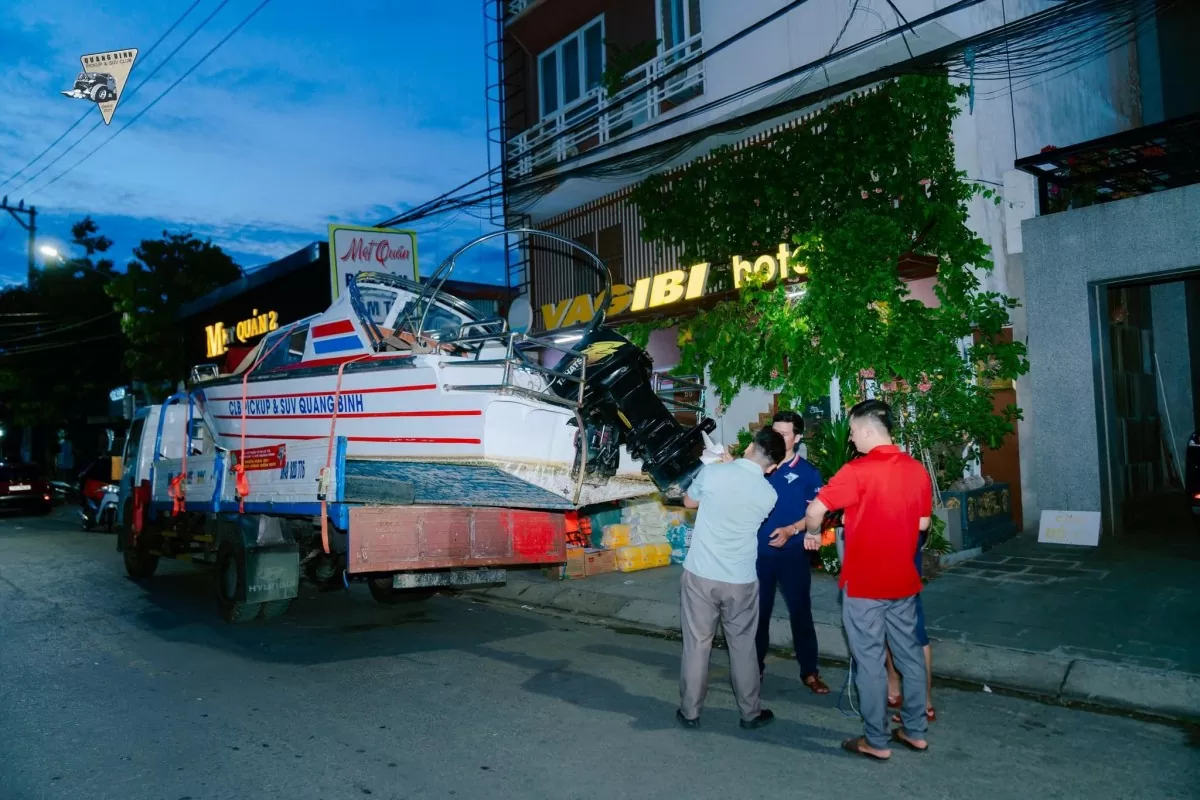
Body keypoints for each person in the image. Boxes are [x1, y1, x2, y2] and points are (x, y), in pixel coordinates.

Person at [799, 399, 932, 760]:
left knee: (870, 660)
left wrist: (813, 532)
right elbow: (922, 525)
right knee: (909, 656)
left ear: (870, 429)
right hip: (904, 580)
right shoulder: (916, 470)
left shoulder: (857, 471)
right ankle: (915, 730)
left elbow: (816, 510)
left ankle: (876, 740)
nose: (852, 437)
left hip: (864, 584)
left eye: (855, 430)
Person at [677, 426, 786, 731]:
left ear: (751, 445)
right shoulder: (769, 493)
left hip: (701, 573)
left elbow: (689, 502)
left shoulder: (712, 474)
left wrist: (720, 467)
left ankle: (690, 712)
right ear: (774, 466)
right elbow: (742, 493)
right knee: (742, 646)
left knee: (698, 644)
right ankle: (750, 713)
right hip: (740, 579)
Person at [754, 410, 829, 694]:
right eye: (774, 432)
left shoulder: (808, 474)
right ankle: (754, 669)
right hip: (758, 555)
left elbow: (816, 513)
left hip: (794, 554)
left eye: (784, 434)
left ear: (797, 438)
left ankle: (809, 671)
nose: (777, 437)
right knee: (758, 614)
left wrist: (791, 530)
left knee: (801, 613)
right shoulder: (757, 468)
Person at [887, 529, 935, 723]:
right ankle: (894, 687)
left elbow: (923, 521)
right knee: (884, 622)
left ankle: (923, 703)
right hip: (890, 534)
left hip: (898, 534)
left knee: (915, 631)